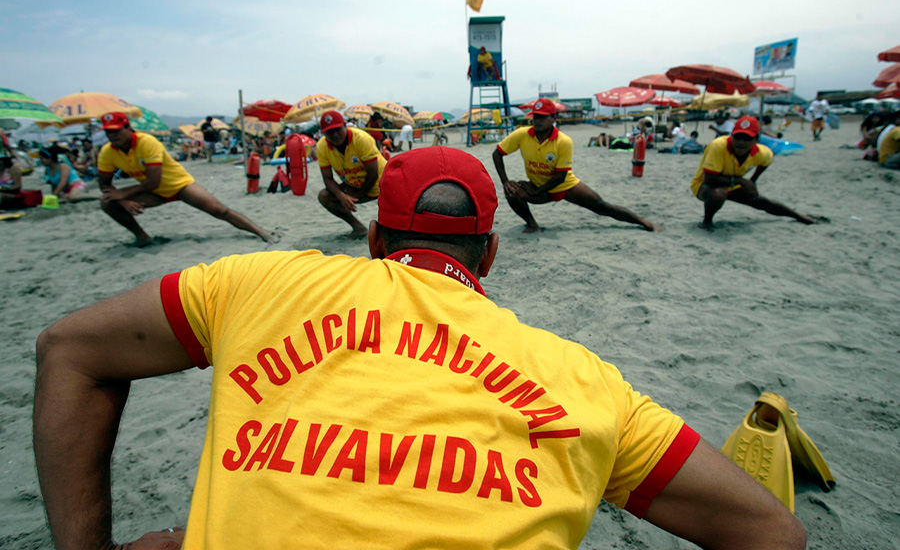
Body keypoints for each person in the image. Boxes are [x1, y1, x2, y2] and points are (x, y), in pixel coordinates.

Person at [33, 145, 805, 550]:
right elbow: (771, 531)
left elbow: (68, 347)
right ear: (490, 257)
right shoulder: (589, 384)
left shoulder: (254, 287)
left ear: (373, 240)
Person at [96, 112, 277, 247]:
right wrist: (122, 199)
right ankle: (142, 236)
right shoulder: (108, 152)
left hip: (179, 185)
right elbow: (104, 186)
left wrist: (123, 194)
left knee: (219, 210)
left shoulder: (146, 142)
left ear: (128, 128)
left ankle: (260, 231)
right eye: (109, 133)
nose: (113, 136)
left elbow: (154, 181)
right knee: (107, 202)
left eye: (117, 131)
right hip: (152, 192)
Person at [492, 100, 659, 233]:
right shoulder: (522, 134)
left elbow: (561, 176)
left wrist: (538, 190)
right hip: (539, 187)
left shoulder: (563, 141)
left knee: (601, 207)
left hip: (565, 185)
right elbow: (497, 153)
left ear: (553, 118)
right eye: (536, 116)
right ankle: (532, 224)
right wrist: (505, 181)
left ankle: (642, 221)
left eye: (543, 117)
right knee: (512, 192)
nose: (538, 120)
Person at [690, 116, 815, 230]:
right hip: (704, 185)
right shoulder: (718, 146)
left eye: (747, 138)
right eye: (738, 137)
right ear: (731, 136)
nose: (741, 142)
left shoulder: (763, 153)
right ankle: (707, 221)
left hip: (732, 184)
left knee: (761, 202)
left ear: (756, 139)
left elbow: (766, 162)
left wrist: (753, 181)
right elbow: (710, 179)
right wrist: (743, 181)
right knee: (718, 193)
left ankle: (798, 216)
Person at [315, 110, 387, 239]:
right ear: (323, 133)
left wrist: (356, 195)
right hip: (353, 185)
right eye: (330, 132)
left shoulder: (361, 139)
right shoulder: (322, 147)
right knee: (324, 196)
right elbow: (327, 178)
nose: (335, 134)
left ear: (345, 126)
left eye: (338, 129)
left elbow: (372, 174)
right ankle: (359, 228)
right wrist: (341, 196)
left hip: (382, 184)